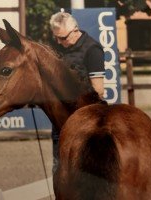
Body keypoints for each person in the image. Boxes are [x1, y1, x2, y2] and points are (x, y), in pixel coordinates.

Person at [49, 11, 105, 173]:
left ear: (75, 30)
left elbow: (98, 91)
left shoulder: (92, 50)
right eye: (56, 38)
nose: (60, 42)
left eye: (63, 38)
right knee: (59, 171)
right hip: (59, 123)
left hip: (84, 121)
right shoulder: (58, 47)